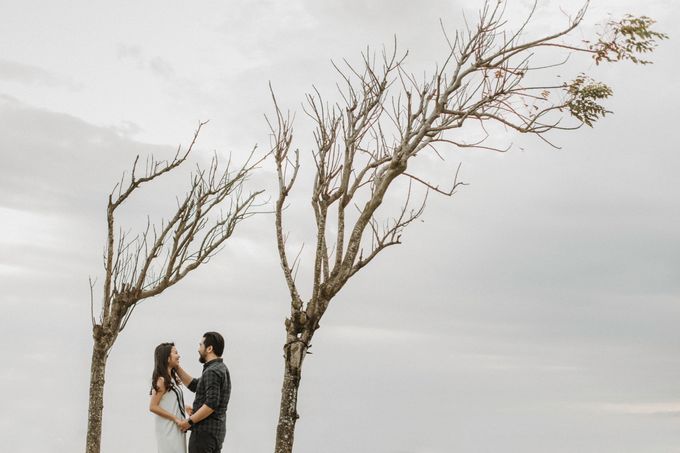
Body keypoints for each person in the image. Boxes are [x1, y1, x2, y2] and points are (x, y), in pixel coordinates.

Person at [176, 331, 231, 453]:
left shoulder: (212, 372)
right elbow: (195, 385)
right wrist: (177, 368)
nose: (198, 349)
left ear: (209, 348)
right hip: (217, 433)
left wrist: (189, 422)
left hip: (203, 434)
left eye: (200, 345)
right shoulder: (221, 368)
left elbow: (211, 404)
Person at [149, 342, 191, 453]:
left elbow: (170, 400)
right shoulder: (161, 380)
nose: (179, 356)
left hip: (177, 430)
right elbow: (153, 406)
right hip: (168, 430)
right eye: (175, 353)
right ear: (167, 358)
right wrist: (175, 418)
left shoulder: (171, 379)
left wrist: (184, 407)